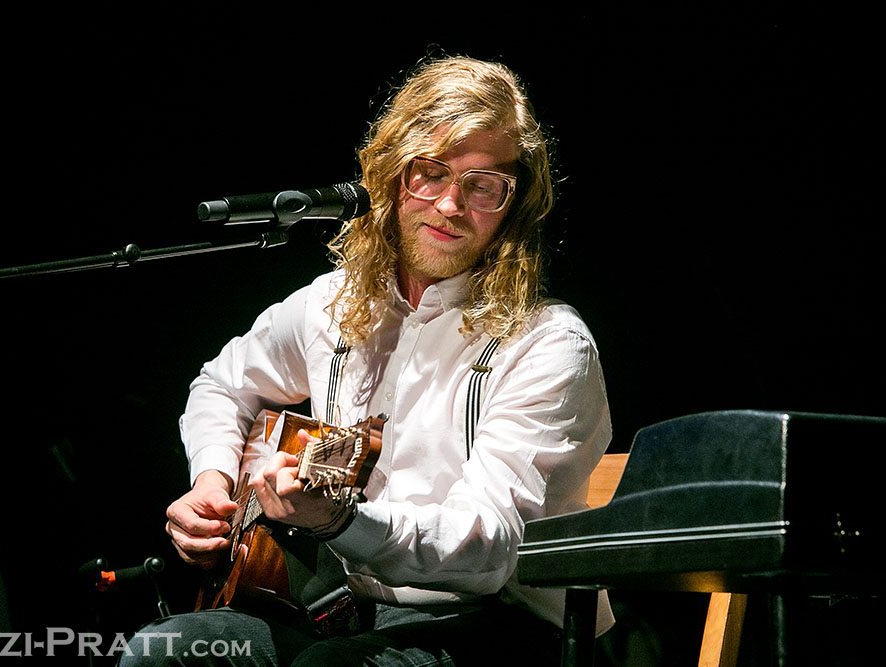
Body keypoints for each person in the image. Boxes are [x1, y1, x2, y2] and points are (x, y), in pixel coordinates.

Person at [124, 56, 613, 665]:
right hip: (346, 612)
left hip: (505, 626)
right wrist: (212, 480)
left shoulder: (549, 343)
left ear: (514, 205)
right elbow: (222, 385)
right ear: (388, 176)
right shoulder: (332, 303)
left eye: (483, 184)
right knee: (167, 649)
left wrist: (337, 522)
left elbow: (488, 551)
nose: (450, 204)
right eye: (428, 173)